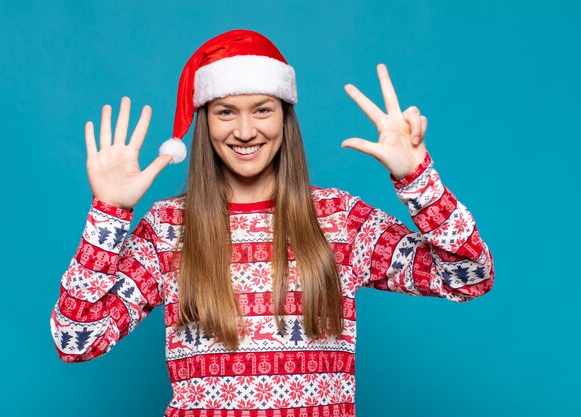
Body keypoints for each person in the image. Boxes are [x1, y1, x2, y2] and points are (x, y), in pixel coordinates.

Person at [50, 29, 495, 416]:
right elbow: (76, 339)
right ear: (205, 122)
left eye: (262, 109)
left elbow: (468, 276)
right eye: (226, 112)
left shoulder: (338, 219)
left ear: (285, 116)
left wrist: (416, 178)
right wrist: (108, 213)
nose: (245, 131)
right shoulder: (169, 228)